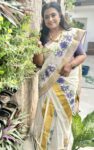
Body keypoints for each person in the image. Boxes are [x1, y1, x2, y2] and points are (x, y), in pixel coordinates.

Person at [33, 2, 87, 150]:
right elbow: (39, 64)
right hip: (47, 85)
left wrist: (70, 65)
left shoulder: (70, 35)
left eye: (53, 15)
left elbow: (82, 56)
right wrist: (37, 48)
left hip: (66, 84)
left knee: (62, 119)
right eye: (46, 17)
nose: (50, 19)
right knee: (46, 115)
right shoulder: (42, 37)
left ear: (60, 16)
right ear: (43, 20)